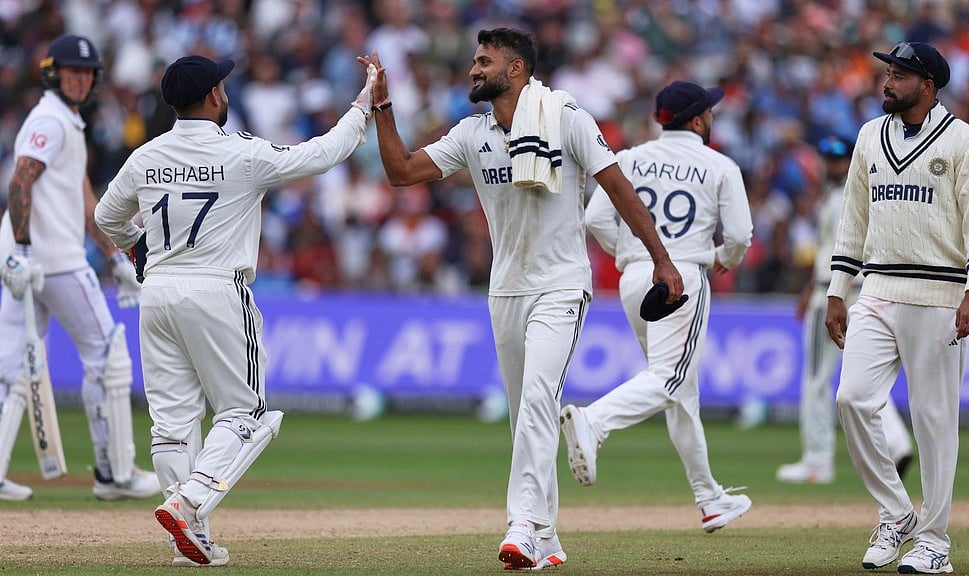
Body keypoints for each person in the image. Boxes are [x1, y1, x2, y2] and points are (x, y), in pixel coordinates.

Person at [361, 28, 684, 570]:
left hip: (561, 284)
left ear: (515, 70)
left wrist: (662, 258)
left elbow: (618, 187)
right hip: (506, 288)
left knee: (537, 400)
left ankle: (522, 527)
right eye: (473, 61)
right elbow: (400, 173)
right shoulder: (472, 133)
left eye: (483, 62)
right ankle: (550, 538)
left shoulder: (566, 117)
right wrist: (384, 108)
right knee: (525, 416)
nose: (472, 70)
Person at [94, 54, 377, 567]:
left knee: (173, 423)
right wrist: (363, 105)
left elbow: (105, 216)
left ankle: (191, 536)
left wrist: (137, 249)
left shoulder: (146, 155)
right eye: (222, 86)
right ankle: (190, 502)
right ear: (215, 97)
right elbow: (322, 154)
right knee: (249, 413)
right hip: (218, 290)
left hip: (157, 292)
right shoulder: (240, 154)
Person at [825, 42, 969, 574]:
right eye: (888, 73)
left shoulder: (964, 140)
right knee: (852, 400)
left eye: (899, 75)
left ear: (928, 85)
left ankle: (935, 541)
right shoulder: (869, 136)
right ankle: (897, 512)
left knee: (934, 420)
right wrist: (837, 289)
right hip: (876, 288)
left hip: (941, 294)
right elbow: (853, 218)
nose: (887, 82)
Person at [561, 81, 754, 533]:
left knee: (681, 393)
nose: (712, 117)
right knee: (671, 380)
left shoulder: (628, 158)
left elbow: (594, 220)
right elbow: (741, 235)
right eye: (709, 111)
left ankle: (710, 500)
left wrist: (630, 254)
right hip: (681, 278)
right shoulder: (719, 165)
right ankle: (594, 422)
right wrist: (724, 260)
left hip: (635, 279)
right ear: (697, 119)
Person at [0, 34, 160, 503]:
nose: (80, 79)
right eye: (71, 71)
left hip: (25, 262)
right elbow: (20, 179)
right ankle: (116, 474)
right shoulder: (49, 120)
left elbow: (84, 198)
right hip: (51, 261)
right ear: (53, 73)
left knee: (10, 369)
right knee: (108, 357)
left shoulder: (67, 122)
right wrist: (25, 249)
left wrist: (115, 255)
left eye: (87, 73)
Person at [776, 136, 914, 485]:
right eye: (828, 158)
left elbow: (843, 252)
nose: (832, 165)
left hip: (835, 295)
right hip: (846, 291)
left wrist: (824, 290)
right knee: (864, 380)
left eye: (838, 159)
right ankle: (897, 445)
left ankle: (817, 461)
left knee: (817, 381)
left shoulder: (842, 198)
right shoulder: (857, 195)